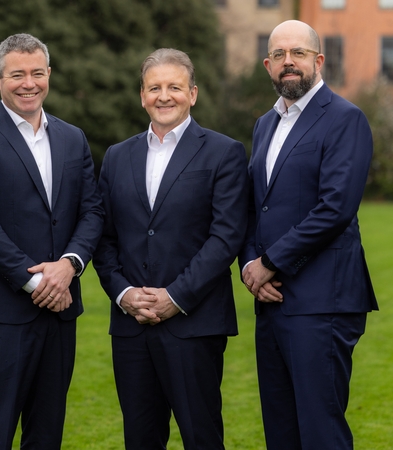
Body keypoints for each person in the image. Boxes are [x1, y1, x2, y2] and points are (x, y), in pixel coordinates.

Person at [0, 33, 103, 449]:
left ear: (49, 74)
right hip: (2, 313)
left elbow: (92, 211)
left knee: (47, 433)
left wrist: (69, 265)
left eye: (37, 73)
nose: (28, 83)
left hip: (60, 312)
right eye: (17, 75)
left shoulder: (72, 137)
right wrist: (37, 283)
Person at [93, 48, 249, 449]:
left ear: (192, 94)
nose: (164, 96)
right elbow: (103, 237)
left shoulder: (224, 152)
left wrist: (175, 297)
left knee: (202, 437)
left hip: (194, 324)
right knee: (140, 439)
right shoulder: (117, 156)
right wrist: (124, 294)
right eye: (154, 88)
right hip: (131, 326)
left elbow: (226, 237)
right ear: (142, 96)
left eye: (174, 87)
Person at [240, 20, 377, 450]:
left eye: (298, 53)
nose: (288, 62)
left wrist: (269, 263)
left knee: (320, 433)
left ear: (318, 60)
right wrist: (249, 267)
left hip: (322, 302)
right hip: (272, 302)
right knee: (280, 432)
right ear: (267, 65)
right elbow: (255, 206)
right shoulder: (265, 124)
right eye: (279, 55)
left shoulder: (345, 119)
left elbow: (336, 208)